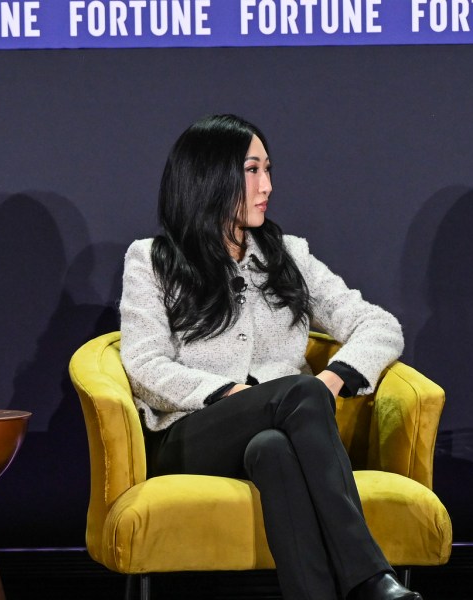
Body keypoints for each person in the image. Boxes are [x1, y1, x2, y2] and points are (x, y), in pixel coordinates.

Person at [119, 114, 422, 600]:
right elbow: (144, 364)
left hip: (280, 427)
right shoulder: (153, 260)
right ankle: (367, 576)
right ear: (211, 176)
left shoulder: (287, 255)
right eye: (253, 170)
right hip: (192, 435)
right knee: (298, 393)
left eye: (268, 169)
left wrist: (333, 380)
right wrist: (230, 393)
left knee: (273, 448)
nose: (268, 186)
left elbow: (379, 325)